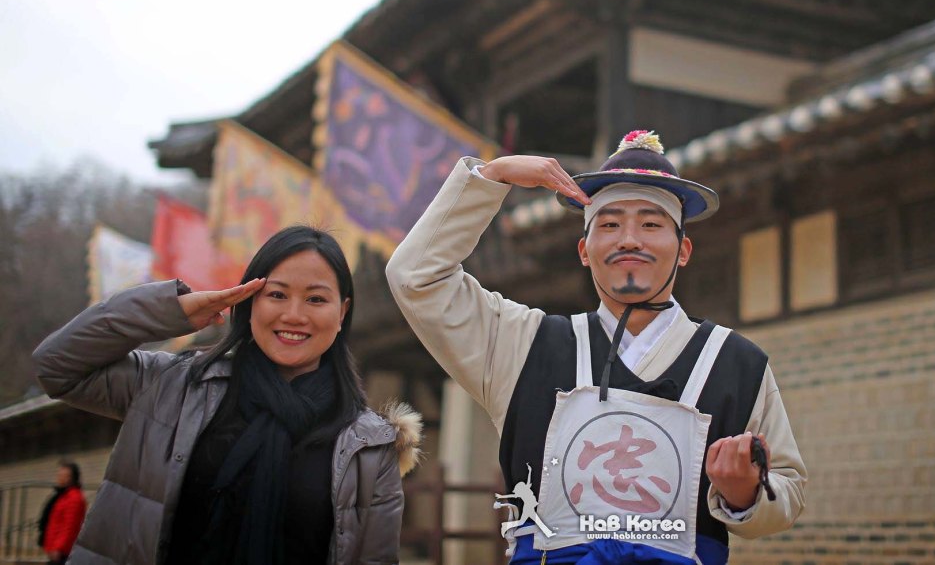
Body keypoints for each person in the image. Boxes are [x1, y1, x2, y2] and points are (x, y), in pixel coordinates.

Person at [387, 130, 806, 564]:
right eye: (609, 224)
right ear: (585, 251)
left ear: (683, 250)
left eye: (650, 224)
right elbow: (416, 278)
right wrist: (490, 177)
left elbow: (789, 490)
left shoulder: (737, 362)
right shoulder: (524, 345)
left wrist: (745, 495)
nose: (629, 239)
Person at [34, 225, 421, 565]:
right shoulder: (172, 386)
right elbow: (57, 366)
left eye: (316, 299)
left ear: (342, 312)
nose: (294, 315)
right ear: (248, 302)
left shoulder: (370, 448)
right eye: (277, 295)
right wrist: (170, 310)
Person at [38, 461, 86, 563]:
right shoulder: (62, 496)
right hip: (55, 549)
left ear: (72, 478)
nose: (59, 478)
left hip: (62, 552)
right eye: (59, 475)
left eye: (64, 476)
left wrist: (59, 548)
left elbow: (70, 526)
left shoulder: (74, 498)